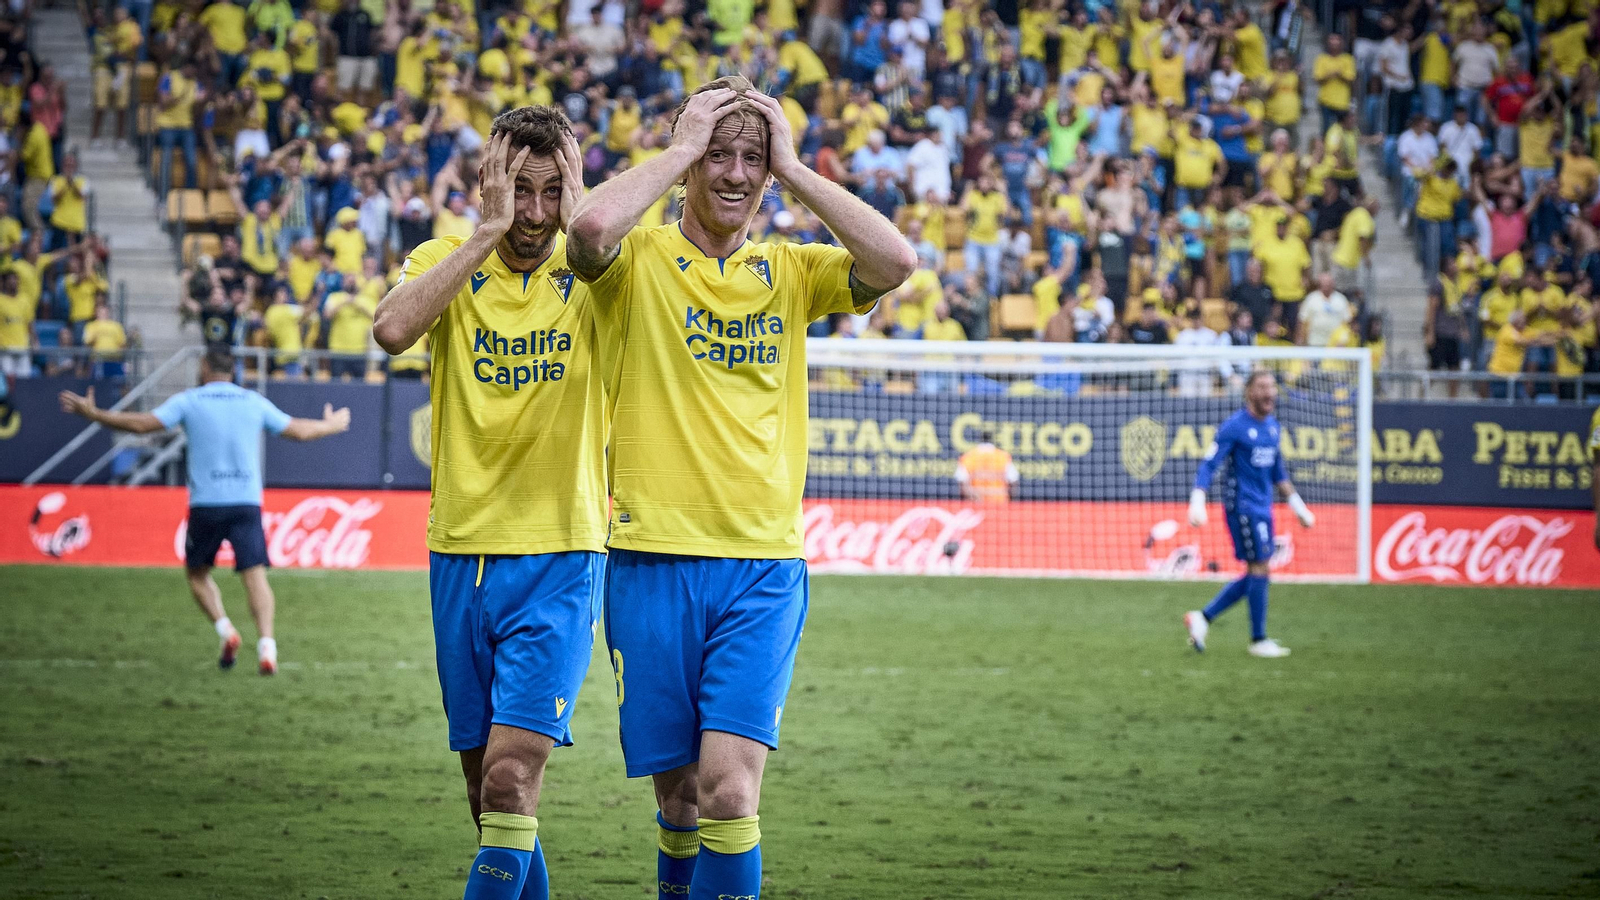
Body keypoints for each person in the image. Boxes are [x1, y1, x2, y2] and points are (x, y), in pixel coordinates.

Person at [566, 75, 915, 900]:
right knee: (681, 800)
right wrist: (682, 145)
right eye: (716, 155)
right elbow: (586, 230)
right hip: (649, 561)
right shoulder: (639, 261)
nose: (732, 173)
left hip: (760, 568)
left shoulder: (791, 271)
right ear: (686, 165)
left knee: (729, 788)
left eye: (747, 158)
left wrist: (792, 166)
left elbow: (895, 259)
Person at [371, 106, 597, 900]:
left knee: (508, 784)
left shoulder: (599, 272)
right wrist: (482, 232)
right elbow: (392, 328)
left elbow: (608, 241)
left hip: (562, 554)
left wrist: (585, 218)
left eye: (551, 192)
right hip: (459, 553)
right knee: (488, 800)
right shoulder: (448, 258)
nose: (532, 215)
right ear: (489, 185)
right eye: (517, 191)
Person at [57, 349, 350, 674]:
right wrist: (332, 424)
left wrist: (95, 413)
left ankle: (227, 631)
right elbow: (298, 431)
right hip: (245, 503)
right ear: (233, 370)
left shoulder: (190, 400)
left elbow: (142, 425)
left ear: (206, 368)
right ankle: (268, 647)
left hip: (206, 505)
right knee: (255, 576)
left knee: (197, 575)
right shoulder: (251, 401)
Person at [1184, 370, 1315, 658]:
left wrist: (1298, 507)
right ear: (1249, 393)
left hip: (1263, 507)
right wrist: (1197, 499)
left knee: (1259, 571)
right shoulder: (1234, 426)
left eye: (1272, 387)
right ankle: (1258, 639)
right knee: (1260, 568)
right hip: (1242, 507)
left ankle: (1203, 618)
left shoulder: (1272, 427)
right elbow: (1209, 464)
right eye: (1262, 387)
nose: (1270, 393)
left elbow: (1278, 472)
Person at [956, 429, 1018, 502]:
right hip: (999, 504)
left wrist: (970, 497)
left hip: (975, 503)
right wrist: (1012, 501)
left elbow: (962, 482)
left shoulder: (968, 457)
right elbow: (1013, 480)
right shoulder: (1002, 457)